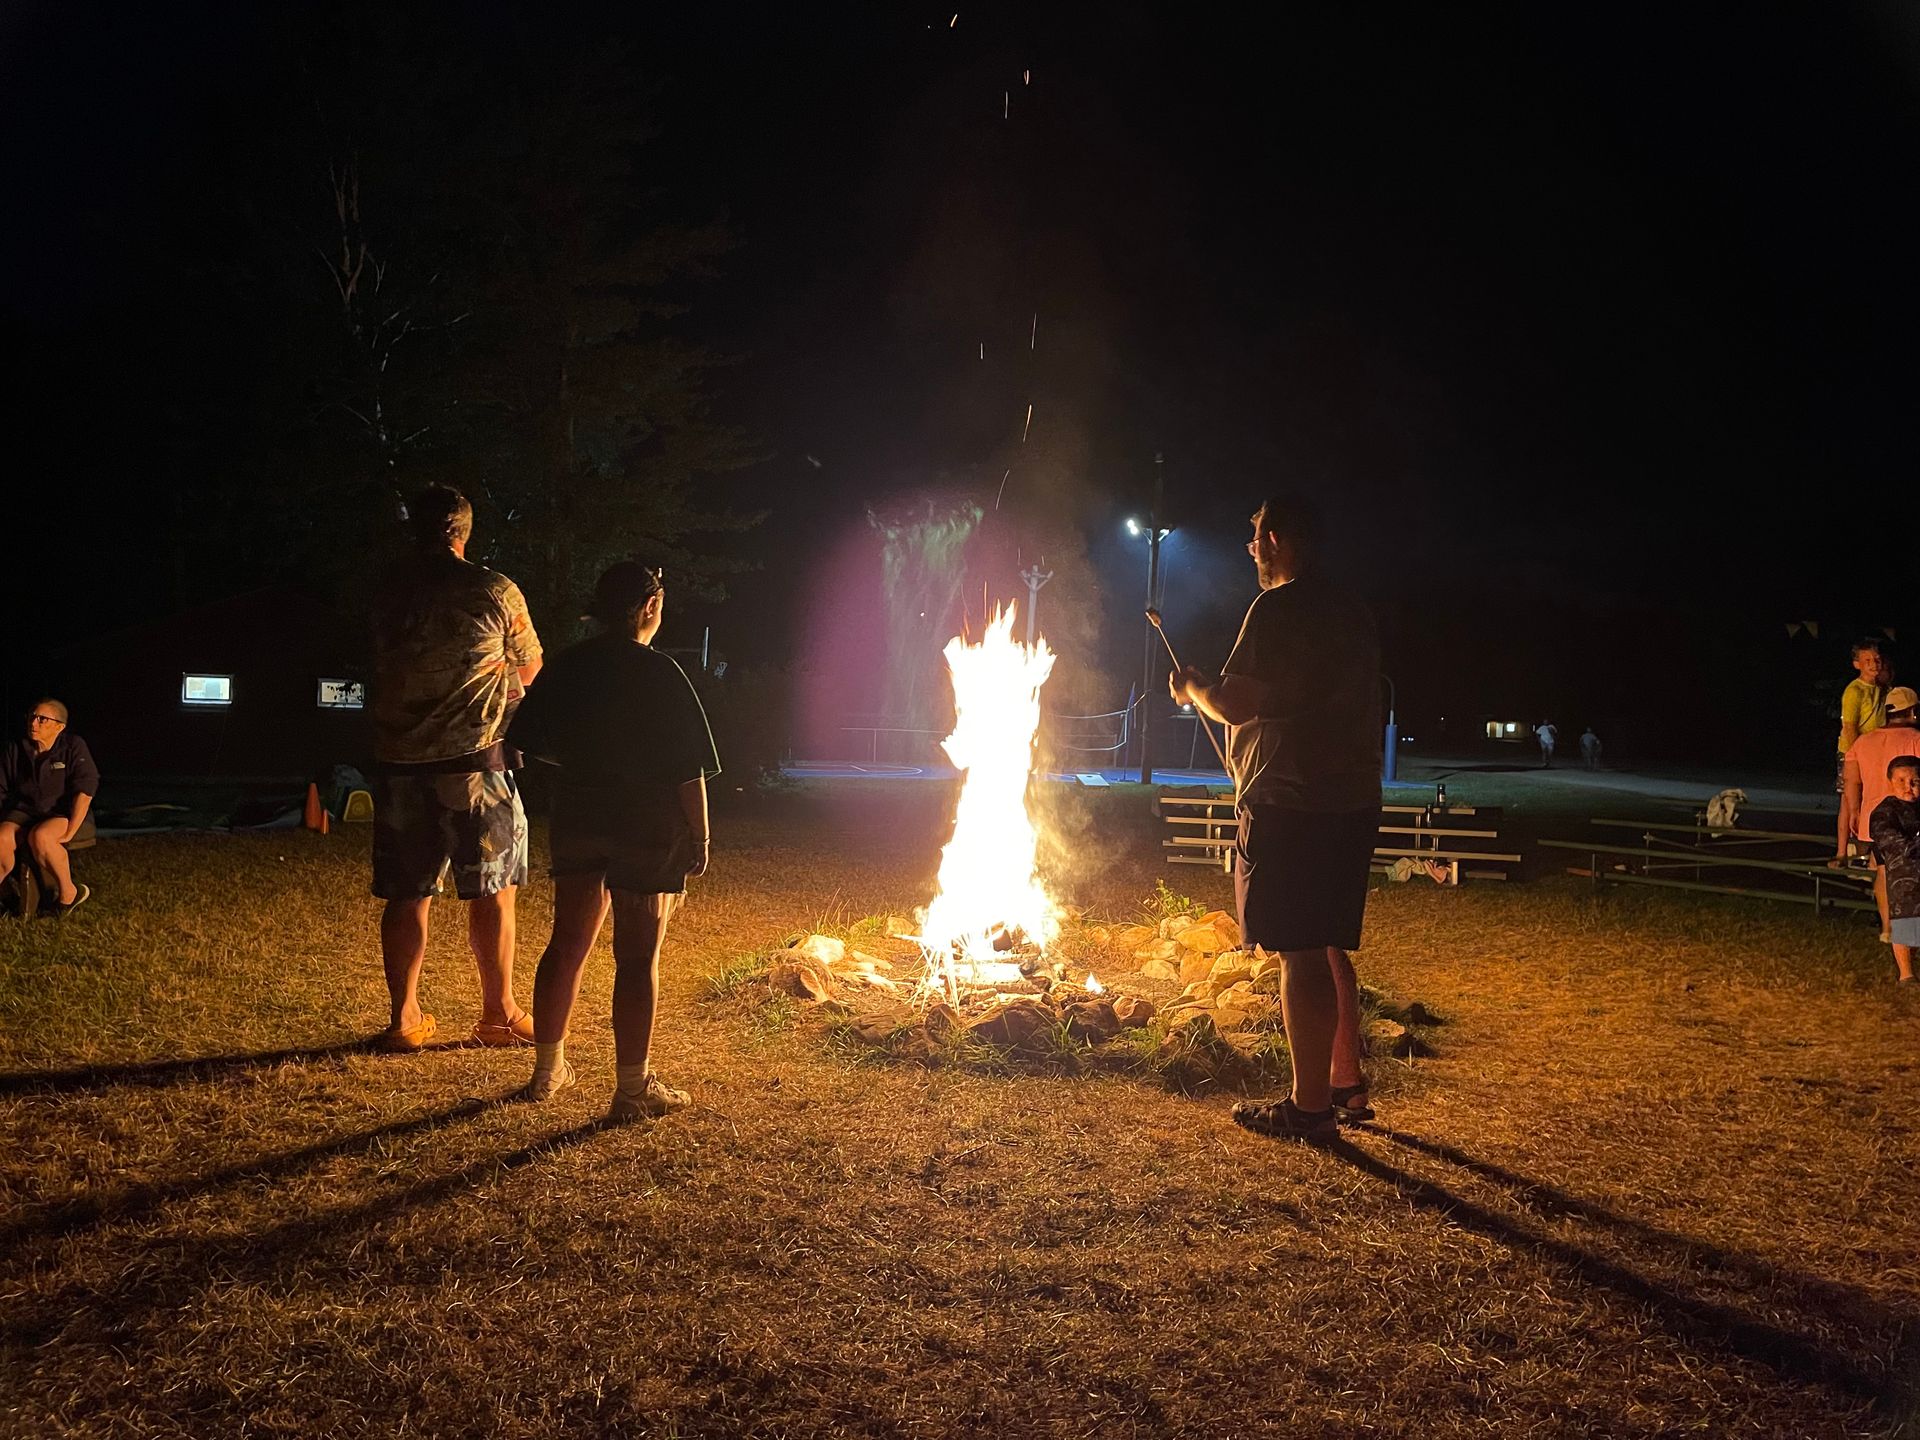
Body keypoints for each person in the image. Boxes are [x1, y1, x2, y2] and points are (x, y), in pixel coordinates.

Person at [1171, 493, 1381, 1142]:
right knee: (1324, 942)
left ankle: (1309, 1109)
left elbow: (1236, 704)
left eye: (1258, 534)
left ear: (1281, 539)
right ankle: (1343, 1082)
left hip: (1291, 801)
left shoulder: (1280, 609)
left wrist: (1194, 690)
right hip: (1350, 800)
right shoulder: (1349, 610)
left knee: (1298, 955)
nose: (1252, 547)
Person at [510, 562, 720, 1122]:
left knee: (567, 943)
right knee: (636, 956)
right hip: (647, 826)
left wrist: (580, 765)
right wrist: (699, 835)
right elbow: (688, 770)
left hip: (579, 816)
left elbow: (523, 742)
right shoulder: (660, 672)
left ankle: (546, 1070)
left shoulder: (569, 666)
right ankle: (631, 1091)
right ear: (650, 607)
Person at [369, 484, 543, 1052]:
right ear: (464, 533)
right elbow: (531, 669)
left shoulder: (385, 593)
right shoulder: (493, 589)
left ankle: (403, 1019)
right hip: (476, 764)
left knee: (407, 892)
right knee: (493, 890)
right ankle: (498, 1014)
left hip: (398, 766)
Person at [0, 699, 99, 917]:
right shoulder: (16, 748)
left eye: (42, 719)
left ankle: (68, 894)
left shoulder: (72, 746)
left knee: (41, 837)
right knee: (2, 838)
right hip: (25, 810)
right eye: (31, 717)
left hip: (60, 812)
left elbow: (86, 788)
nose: (34, 723)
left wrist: (72, 830)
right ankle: (6, 896)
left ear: (59, 726)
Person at [1839, 686, 1920, 946]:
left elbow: (1851, 781)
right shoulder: (1916, 739)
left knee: (1884, 873)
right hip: (1909, 818)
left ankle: (1888, 929)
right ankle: (1908, 933)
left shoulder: (1863, 742)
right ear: (1912, 711)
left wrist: (1853, 810)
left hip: (1873, 820)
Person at [1836, 639, 1891, 857]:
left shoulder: (1881, 688)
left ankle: (1865, 850)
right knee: (1848, 801)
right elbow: (1849, 727)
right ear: (1857, 664)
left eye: (1876, 659)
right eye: (1867, 660)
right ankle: (1842, 851)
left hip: (1874, 753)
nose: (1873, 664)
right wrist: (1854, 757)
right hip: (1853, 753)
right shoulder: (1854, 691)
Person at [1868, 754, 1920, 984]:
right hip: (1904, 876)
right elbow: (1890, 841)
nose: (1908, 787)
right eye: (1901, 780)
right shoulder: (1885, 811)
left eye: (1915, 781)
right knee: (1906, 920)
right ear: (1890, 781)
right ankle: (1906, 974)